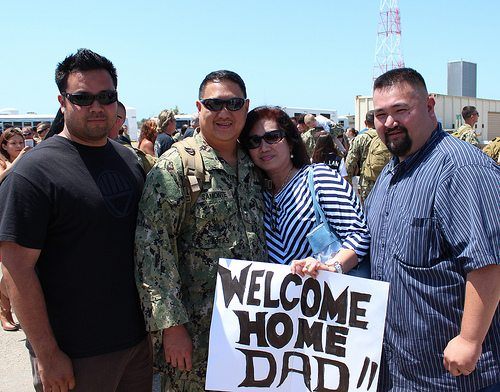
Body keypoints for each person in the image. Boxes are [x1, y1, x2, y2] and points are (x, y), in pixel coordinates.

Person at [0, 48, 152, 392]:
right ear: (62, 101)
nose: (97, 106)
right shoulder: (33, 173)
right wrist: (47, 353)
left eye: (107, 96)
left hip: (136, 346)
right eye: (82, 97)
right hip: (75, 355)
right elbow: (16, 271)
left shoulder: (128, 161)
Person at [366, 68, 499, 391]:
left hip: (453, 376)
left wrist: (469, 340)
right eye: (380, 114)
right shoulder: (390, 173)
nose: (390, 123)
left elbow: (487, 264)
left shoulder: (462, 169)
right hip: (399, 369)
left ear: (429, 106)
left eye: (401, 110)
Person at [135, 70, 267, 391]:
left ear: (246, 107)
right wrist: (171, 327)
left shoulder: (256, 162)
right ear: (199, 107)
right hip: (198, 334)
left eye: (234, 104)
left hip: (253, 328)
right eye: (214, 104)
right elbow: (152, 252)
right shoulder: (177, 166)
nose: (225, 113)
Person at [239, 106, 369, 274]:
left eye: (272, 137)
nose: (263, 147)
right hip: (280, 297)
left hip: (324, 293)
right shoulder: (257, 194)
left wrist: (331, 267)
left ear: (291, 142)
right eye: (254, 141)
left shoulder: (320, 178)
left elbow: (359, 234)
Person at [345, 110, 390, 203]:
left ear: (365, 122)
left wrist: (348, 183)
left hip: (367, 182)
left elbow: (350, 162)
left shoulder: (360, 138)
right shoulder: (387, 135)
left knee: (368, 211)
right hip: (387, 179)